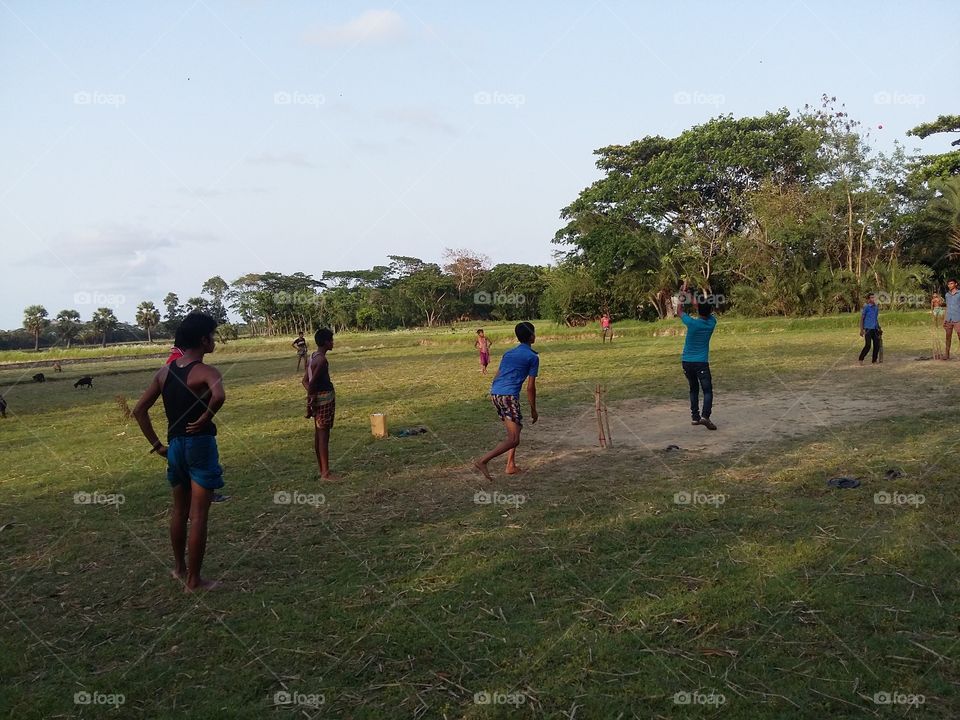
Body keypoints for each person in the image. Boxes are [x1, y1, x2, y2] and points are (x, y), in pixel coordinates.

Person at [132, 312, 225, 593]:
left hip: (173, 448)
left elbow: (139, 411)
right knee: (198, 515)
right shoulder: (207, 372)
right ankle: (194, 581)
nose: (215, 340)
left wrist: (157, 445)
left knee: (179, 511)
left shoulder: (164, 373)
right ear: (203, 339)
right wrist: (207, 416)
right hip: (199, 446)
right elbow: (219, 395)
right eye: (213, 335)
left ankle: (179, 569)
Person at [474, 322, 539, 479]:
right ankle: (482, 461)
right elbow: (530, 388)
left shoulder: (508, 354)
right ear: (532, 337)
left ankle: (510, 465)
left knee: (516, 429)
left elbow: (498, 374)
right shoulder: (532, 357)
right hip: (508, 396)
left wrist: (494, 392)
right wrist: (533, 409)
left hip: (496, 392)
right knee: (514, 439)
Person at [678, 282, 718, 430]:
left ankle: (695, 417)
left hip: (687, 361)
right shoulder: (712, 323)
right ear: (711, 311)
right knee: (707, 390)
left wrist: (683, 293)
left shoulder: (692, 323)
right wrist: (690, 294)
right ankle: (705, 416)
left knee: (693, 389)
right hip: (701, 362)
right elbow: (700, 307)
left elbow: (679, 310)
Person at [303, 328, 338, 480]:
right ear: (325, 342)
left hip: (318, 400)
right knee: (324, 436)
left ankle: (322, 469)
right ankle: (326, 473)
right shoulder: (322, 360)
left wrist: (311, 399)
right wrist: (311, 399)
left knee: (319, 436)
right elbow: (311, 384)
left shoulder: (313, 357)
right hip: (324, 401)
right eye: (331, 340)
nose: (333, 342)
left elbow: (305, 381)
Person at [859, 293, 882, 365]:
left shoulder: (876, 308)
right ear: (868, 299)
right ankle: (861, 359)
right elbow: (862, 319)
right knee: (868, 345)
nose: (873, 299)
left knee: (877, 345)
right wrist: (861, 329)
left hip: (875, 329)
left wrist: (879, 327)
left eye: (874, 297)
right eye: (871, 298)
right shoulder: (866, 307)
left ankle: (874, 360)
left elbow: (876, 319)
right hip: (868, 329)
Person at [942, 279, 960, 360]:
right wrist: (944, 319)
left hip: (958, 318)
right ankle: (947, 355)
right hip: (948, 318)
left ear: (956, 284)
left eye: (951, 283)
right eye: (948, 284)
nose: (949, 285)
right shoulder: (947, 295)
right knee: (948, 337)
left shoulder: (959, 294)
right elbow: (947, 307)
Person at [931, 293, 945, 360]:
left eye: (935, 295)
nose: (934, 296)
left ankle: (943, 324)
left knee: (942, 316)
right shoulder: (933, 300)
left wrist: (941, 300)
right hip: (935, 308)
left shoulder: (938, 299)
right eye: (934, 295)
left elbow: (941, 303)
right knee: (935, 317)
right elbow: (932, 305)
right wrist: (932, 310)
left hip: (939, 308)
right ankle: (935, 324)